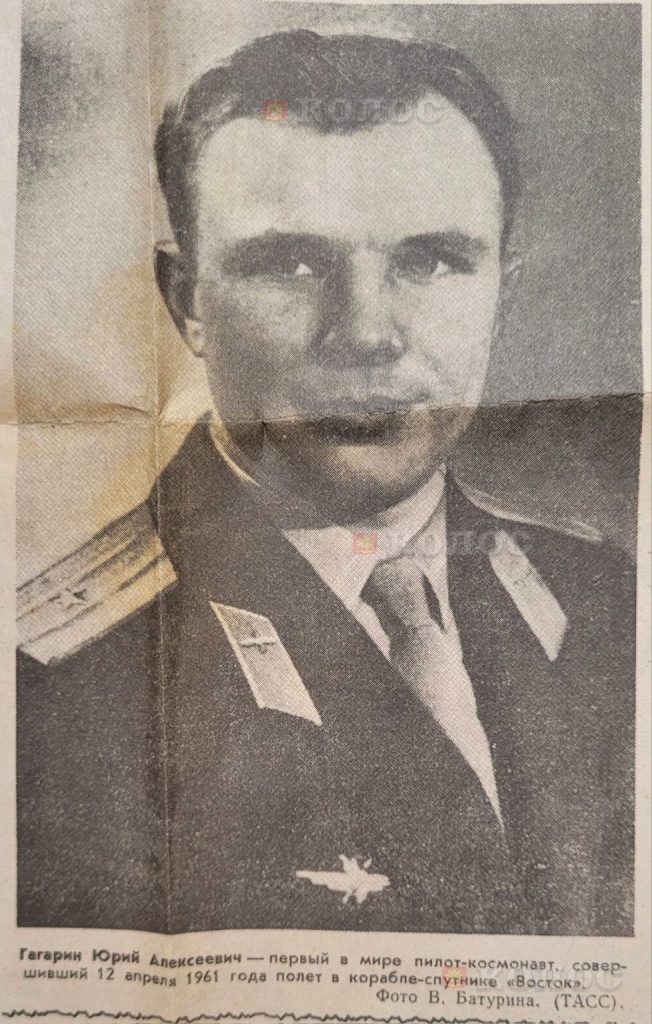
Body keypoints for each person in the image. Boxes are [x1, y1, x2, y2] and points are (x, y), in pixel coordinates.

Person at [16, 30, 635, 935]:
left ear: (501, 291)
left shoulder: (612, 607)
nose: (367, 334)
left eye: (430, 260)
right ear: (187, 301)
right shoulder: (53, 697)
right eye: (294, 264)